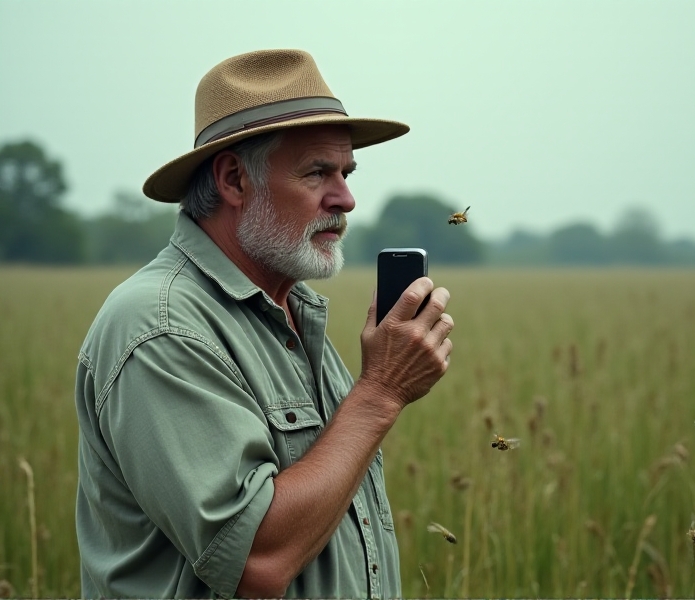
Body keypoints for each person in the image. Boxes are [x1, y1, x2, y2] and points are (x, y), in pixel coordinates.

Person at [74, 49, 454, 599]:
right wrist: (382, 391)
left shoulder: (289, 313)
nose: (346, 198)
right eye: (317, 172)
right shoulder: (160, 327)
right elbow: (255, 560)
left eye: (346, 172)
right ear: (233, 180)